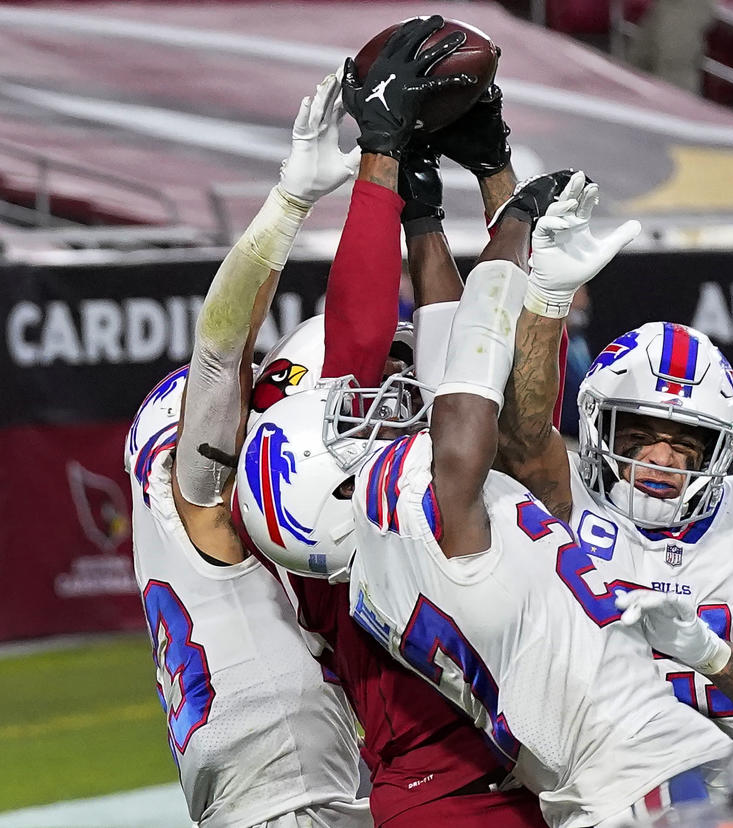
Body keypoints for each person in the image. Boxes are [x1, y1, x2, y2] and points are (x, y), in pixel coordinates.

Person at [240, 169, 733, 828]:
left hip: (581, 778)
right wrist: (510, 233)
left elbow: (460, 372)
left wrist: (423, 218)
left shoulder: (392, 538)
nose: (391, 393)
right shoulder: (422, 514)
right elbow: (471, 374)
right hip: (616, 777)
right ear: (330, 476)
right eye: (355, 411)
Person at [235, 18, 548, 826]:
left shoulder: (362, 473)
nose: (396, 395)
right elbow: (362, 343)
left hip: (532, 770)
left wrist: (442, 197)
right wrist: (377, 153)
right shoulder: (324, 512)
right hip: (453, 792)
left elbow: (475, 345)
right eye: (379, 388)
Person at [124, 71, 370, 828]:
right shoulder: (199, 500)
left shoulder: (189, 538)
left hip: (263, 792)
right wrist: (290, 202)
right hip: (290, 802)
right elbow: (219, 351)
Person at [494, 248, 733, 737]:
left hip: (711, 776)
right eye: (639, 438)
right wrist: (547, 299)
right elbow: (519, 429)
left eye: (685, 443)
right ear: (598, 428)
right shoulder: (561, 494)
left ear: (719, 449)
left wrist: (707, 651)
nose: (662, 459)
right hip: (581, 771)